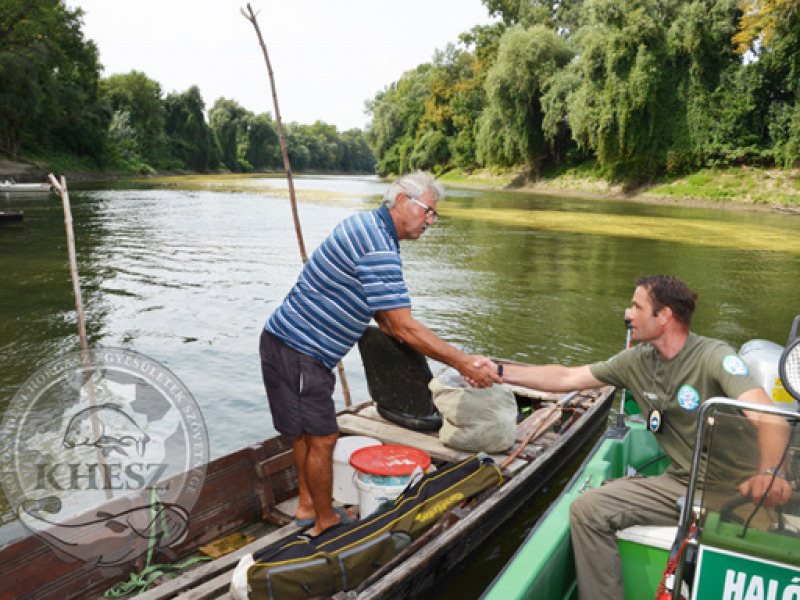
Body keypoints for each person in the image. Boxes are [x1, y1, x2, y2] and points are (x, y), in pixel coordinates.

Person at [479, 275, 791, 600]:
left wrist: (770, 474)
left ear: (665, 316)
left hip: (741, 491)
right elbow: (567, 376)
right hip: (681, 483)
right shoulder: (636, 361)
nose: (628, 313)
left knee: (753, 560)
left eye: (637, 306)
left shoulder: (715, 356)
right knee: (588, 510)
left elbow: (771, 419)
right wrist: (498, 372)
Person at [260, 171, 500, 536]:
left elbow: (388, 323)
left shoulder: (372, 228)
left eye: (435, 215)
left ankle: (308, 506)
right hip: (301, 348)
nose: (431, 222)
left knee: (306, 435)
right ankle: (324, 522)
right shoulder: (378, 245)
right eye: (428, 212)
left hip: (285, 341)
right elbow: (402, 326)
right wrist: (463, 362)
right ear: (402, 201)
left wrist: (443, 357)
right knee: (321, 438)